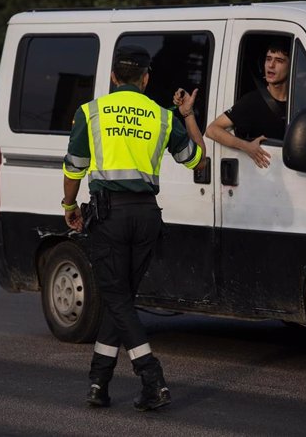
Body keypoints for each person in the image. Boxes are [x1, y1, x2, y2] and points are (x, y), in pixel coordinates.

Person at [61, 45, 205, 411]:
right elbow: (196, 161)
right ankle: (98, 382)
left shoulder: (90, 113)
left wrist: (68, 206)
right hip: (146, 219)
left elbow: (74, 168)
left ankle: (152, 378)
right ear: (145, 78)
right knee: (119, 298)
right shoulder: (161, 116)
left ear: (113, 77)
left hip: (109, 218)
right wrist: (187, 116)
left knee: (118, 298)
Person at [198, 39, 290, 169]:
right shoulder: (252, 101)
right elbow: (212, 130)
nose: (271, 65)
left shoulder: (300, 101)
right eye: (268, 59)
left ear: (291, 66)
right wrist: (246, 146)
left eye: (279, 61)